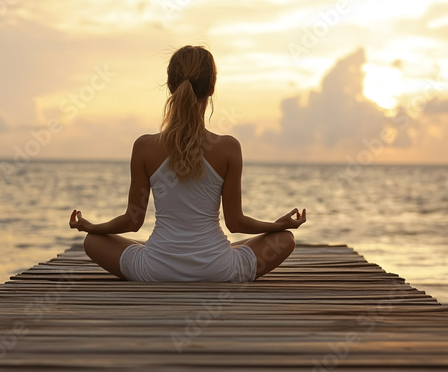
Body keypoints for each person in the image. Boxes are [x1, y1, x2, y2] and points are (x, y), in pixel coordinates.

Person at [69, 45, 306, 282]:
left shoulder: (144, 147)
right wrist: (277, 225)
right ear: (212, 88)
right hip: (219, 270)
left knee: (93, 242)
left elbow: (132, 221)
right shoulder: (229, 147)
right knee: (285, 239)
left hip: (155, 270)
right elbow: (235, 223)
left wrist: (92, 227)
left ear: (170, 86)